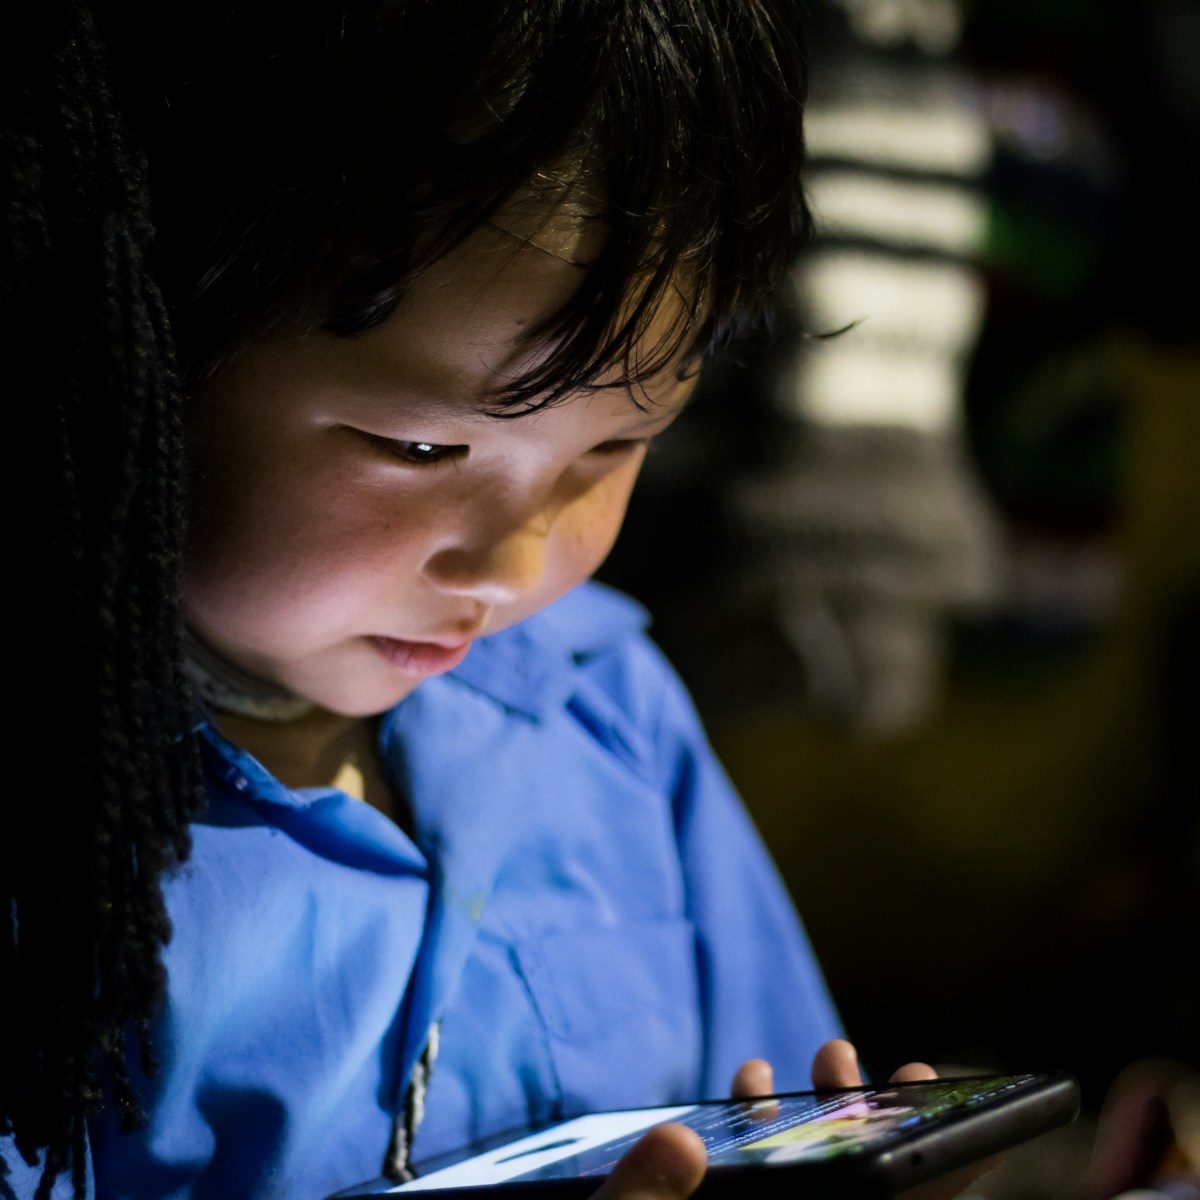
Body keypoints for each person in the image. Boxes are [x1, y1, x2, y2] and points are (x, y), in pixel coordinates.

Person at [2, 2, 969, 1198]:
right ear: (141, 346)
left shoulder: (606, 709)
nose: (515, 570)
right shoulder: (49, 849)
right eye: (417, 449)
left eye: (612, 449)